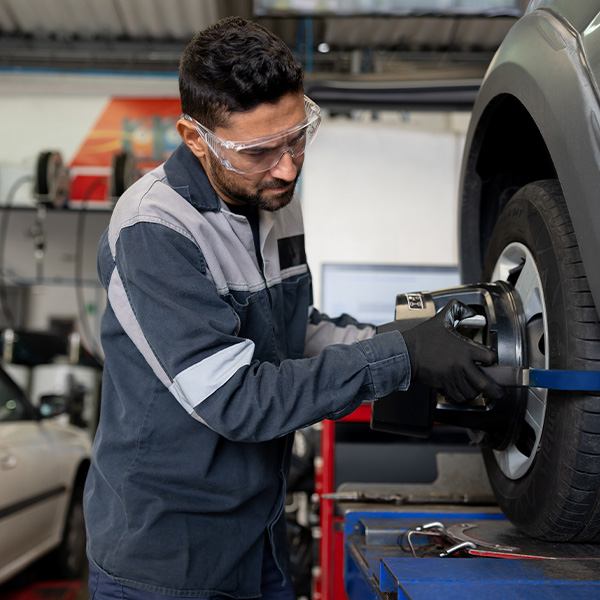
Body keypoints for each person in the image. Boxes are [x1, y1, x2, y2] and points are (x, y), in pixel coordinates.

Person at [83, 15, 505, 600]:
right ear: (194, 136)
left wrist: (417, 341)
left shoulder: (273, 201)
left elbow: (290, 334)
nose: (287, 167)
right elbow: (236, 399)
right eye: (259, 150)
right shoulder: (153, 229)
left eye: (297, 136)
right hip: (167, 558)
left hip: (259, 532)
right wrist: (399, 357)